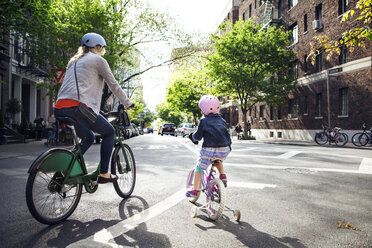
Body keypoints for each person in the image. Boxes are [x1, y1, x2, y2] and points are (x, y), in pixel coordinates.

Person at [54, 33, 134, 184]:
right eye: (102, 48)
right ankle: (104, 173)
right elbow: (113, 84)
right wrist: (128, 102)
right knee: (109, 132)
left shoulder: (73, 62)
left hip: (59, 107)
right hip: (78, 107)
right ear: (97, 47)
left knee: (89, 137)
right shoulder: (98, 60)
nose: (102, 51)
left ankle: (65, 171)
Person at [186, 95, 232, 198]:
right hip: (225, 149)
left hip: (209, 150)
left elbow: (197, 136)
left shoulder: (203, 121)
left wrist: (191, 137)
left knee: (199, 168)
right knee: (218, 160)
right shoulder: (222, 120)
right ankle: (223, 176)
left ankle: (195, 190)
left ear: (203, 109)